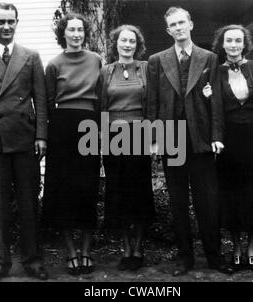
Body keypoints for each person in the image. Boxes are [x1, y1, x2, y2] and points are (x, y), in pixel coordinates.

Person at [146, 6, 233, 276]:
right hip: (172, 139)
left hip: (201, 139)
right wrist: (154, 139)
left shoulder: (209, 58)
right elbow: (152, 103)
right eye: (173, 24)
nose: (179, 27)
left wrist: (217, 136)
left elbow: (216, 102)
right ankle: (185, 258)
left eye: (182, 22)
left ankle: (214, 257)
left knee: (208, 201)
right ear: (168, 30)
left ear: (191, 24)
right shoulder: (157, 60)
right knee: (178, 202)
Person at [0, 2, 48, 281]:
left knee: (28, 203)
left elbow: (41, 100)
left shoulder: (31, 57)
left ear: (17, 23)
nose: (6, 27)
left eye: (11, 22)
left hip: (25, 140)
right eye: (0, 22)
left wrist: (41, 135)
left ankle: (32, 260)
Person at [211, 24, 253, 271]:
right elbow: (215, 108)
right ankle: (236, 248)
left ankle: (251, 249)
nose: (234, 45)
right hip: (229, 140)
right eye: (229, 40)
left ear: (244, 43)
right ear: (222, 44)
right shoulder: (216, 72)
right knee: (232, 194)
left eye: (238, 40)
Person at [42, 13, 102, 276]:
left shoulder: (96, 60)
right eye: (71, 30)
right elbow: (46, 102)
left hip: (89, 123)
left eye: (80, 30)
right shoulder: (54, 64)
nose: (76, 34)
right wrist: (45, 135)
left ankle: (87, 249)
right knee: (64, 190)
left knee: (87, 187)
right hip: (62, 127)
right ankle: (71, 251)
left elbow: (102, 97)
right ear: (63, 34)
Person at [99, 25, 155, 272]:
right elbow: (100, 106)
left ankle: (139, 247)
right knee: (119, 193)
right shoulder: (105, 71)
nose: (127, 45)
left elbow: (153, 105)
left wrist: (155, 139)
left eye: (132, 41)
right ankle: (125, 248)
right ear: (116, 43)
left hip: (140, 134)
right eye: (123, 40)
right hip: (112, 136)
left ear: (137, 44)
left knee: (139, 192)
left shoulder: (146, 68)